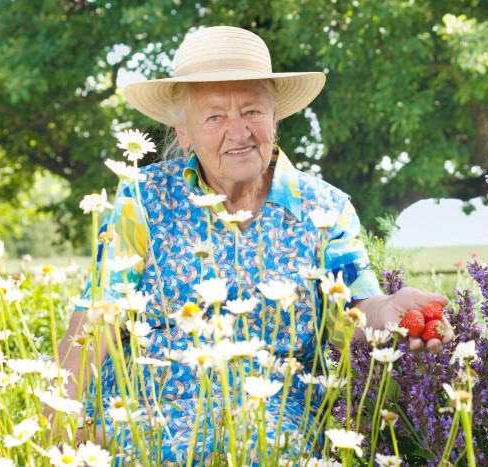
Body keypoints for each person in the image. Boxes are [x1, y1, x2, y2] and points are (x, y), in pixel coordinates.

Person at [58, 26, 454, 465]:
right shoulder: (144, 197)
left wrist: (390, 311)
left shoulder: (324, 207)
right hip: (150, 409)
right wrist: (60, 423)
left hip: (272, 411)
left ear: (274, 117)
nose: (239, 131)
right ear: (184, 131)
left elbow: (354, 310)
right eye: (214, 117)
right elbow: (98, 314)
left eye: (251, 110)